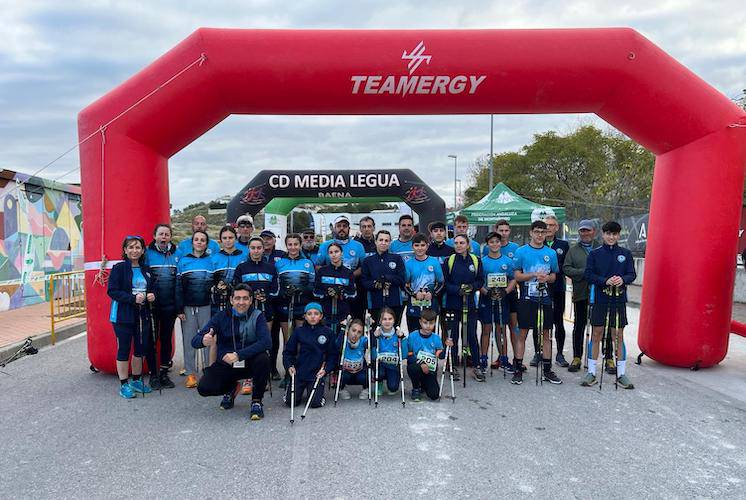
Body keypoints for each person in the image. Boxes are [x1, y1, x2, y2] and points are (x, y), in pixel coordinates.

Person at [191, 284, 271, 420]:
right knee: (204, 388)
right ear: (231, 300)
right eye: (237, 298)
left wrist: (239, 355)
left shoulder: (258, 316)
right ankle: (231, 388)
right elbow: (194, 341)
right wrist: (203, 340)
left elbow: (266, 342)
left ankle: (256, 401)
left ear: (251, 300)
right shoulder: (221, 316)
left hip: (249, 362)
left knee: (263, 359)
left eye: (245, 298)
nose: (241, 302)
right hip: (227, 363)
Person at [581, 221, 637, 389]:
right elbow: (588, 275)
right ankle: (591, 372)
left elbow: (631, 274)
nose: (611, 237)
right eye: (608, 234)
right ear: (603, 235)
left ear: (619, 236)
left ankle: (621, 374)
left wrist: (623, 280)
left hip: (618, 300)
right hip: (600, 299)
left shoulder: (625, 253)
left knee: (617, 335)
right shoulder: (594, 254)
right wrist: (604, 281)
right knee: (597, 334)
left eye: (614, 234)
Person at [512, 220, 562, 385]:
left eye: (543, 232)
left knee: (546, 334)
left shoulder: (551, 253)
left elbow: (554, 276)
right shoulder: (521, 251)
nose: (540, 235)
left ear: (546, 233)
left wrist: (546, 278)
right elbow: (517, 276)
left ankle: (547, 370)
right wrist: (533, 275)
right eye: (537, 232)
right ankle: (518, 368)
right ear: (531, 233)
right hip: (527, 298)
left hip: (545, 298)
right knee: (523, 333)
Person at [108, 235, 156, 398]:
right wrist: (132, 298)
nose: (134, 250)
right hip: (123, 315)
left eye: (138, 248)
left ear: (143, 251)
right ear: (125, 250)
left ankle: (136, 380)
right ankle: (124, 384)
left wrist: (152, 295)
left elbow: (152, 288)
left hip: (143, 314)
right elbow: (112, 291)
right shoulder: (119, 268)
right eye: (131, 247)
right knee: (124, 348)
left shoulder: (146, 269)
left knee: (140, 348)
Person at [233, 236, 279, 391]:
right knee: (247, 342)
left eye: (259, 248)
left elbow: (276, 290)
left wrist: (266, 296)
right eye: (253, 248)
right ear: (249, 249)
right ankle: (247, 377)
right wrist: (250, 298)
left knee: (264, 343)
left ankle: (263, 378)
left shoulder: (271, 268)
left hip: (266, 310)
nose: (256, 251)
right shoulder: (242, 267)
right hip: (246, 311)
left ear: (263, 249)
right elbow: (236, 288)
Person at [274, 233, 316, 389]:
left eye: (295, 244)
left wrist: (302, 290)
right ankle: (287, 373)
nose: (293, 247)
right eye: (290, 244)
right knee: (288, 341)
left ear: (300, 245)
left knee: (302, 340)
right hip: (286, 305)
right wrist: (283, 292)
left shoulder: (307, 263)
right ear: (286, 246)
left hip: (302, 305)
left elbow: (312, 284)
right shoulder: (280, 263)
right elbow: (276, 285)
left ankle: (301, 371)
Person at [176, 230, 215, 388]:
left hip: (206, 306)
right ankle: (191, 373)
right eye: (197, 240)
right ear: (192, 243)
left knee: (207, 339)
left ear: (206, 244)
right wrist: (179, 309)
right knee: (189, 340)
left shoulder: (212, 260)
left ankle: (207, 371)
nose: (199, 242)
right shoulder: (183, 261)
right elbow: (178, 287)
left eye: (203, 240)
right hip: (188, 307)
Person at [442, 234, 483, 382]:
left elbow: (480, 280)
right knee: (453, 336)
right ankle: (452, 365)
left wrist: (472, 287)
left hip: (470, 304)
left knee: (471, 334)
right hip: (453, 304)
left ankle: (476, 365)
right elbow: (445, 283)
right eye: (456, 243)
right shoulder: (449, 261)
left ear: (467, 244)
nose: (459, 245)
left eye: (462, 243)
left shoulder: (475, 260)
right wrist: (457, 289)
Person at [283, 302, 338, 409]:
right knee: (290, 402)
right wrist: (289, 366)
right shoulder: (298, 332)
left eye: (316, 313)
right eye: (309, 314)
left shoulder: (328, 332)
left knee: (315, 403)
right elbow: (288, 352)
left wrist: (326, 370)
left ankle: (319, 395)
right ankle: (290, 391)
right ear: (305, 316)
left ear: (321, 316)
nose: (313, 316)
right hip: (299, 372)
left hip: (316, 373)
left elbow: (333, 355)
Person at [562, 220, 600, 372]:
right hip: (581, 293)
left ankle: (606, 358)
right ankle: (577, 356)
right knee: (579, 325)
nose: (585, 234)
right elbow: (566, 268)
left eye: (588, 230)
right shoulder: (573, 250)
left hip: (600, 294)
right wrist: (583, 272)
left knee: (600, 326)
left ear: (594, 231)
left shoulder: (601, 247)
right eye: (582, 231)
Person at [144, 224, 178, 390]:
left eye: (167, 234)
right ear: (155, 236)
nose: (164, 237)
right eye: (161, 234)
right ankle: (153, 374)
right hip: (151, 305)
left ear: (170, 236)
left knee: (166, 339)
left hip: (169, 305)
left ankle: (164, 372)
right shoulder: (147, 254)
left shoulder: (176, 254)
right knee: (151, 339)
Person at [478, 231, 516, 375]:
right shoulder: (483, 261)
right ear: (487, 244)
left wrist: (506, 291)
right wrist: (486, 292)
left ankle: (504, 359)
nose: (494, 244)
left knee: (501, 329)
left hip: (502, 298)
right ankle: (483, 359)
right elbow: (478, 281)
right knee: (486, 329)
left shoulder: (507, 261)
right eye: (491, 242)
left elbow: (513, 278)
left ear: (501, 243)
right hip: (487, 298)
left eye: (497, 242)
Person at [489, 219, 521, 373]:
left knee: (513, 326)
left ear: (509, 231)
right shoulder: (488, 247)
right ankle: (502, 357)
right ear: (496, 230)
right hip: (494, 294)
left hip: (511, 293)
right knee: (499, 326)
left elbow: (516, 272)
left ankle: (517, 358)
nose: (503, 233)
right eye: (500, 230)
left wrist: (508, 288)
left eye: (506, 230)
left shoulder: (515, 248)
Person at [361, 230, 406, 326]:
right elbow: (364, 282)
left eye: (386, 240)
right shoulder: (368, 261)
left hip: (394, 301)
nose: (383, 243)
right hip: (375, 302)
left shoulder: (396, 258)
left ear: (390, 243)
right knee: (376, 330)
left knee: (394, 330)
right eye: (381, 240)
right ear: (376, 241)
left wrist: (388, 278)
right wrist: (376, 284)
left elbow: (402, 279)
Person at [542, 215, 571, 368]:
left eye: (552, 225)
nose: (549, 228)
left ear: (557, 227)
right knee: (541, 321)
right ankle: (539, 353)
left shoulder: (564, 245)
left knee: (558, 321)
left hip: (558, 288)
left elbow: (567, 266)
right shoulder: (538, 244)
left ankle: (559, 353)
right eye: (546, 225)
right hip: (541, 289)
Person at [406, 308, 452, 401]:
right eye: (425, 323)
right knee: (412, 367)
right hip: (417, 365)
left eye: (431, 323)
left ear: (435, 323)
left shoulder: (436, 338)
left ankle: (424, 384)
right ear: (420, 322)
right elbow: (409, 355)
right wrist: (421, 363)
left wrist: (447, 347)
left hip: (430, 369)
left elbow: (441, 355)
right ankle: (416, 388)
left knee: (434, 395)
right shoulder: (412, 336)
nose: (428, 326)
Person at [314, 242, 357, 336]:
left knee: (340, 343)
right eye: (331, 252)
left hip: (342, 313)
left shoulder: (348, 273)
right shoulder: (322, 271)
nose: (334, 255)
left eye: (336, 251)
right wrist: (327, 293)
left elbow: (353, 294)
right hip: (326, 313)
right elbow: (316, 292)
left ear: (341, 253)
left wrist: (341, 293)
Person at [404, 233, 444, 333]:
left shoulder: (434, 262)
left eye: (422, 245)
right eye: (416, 245)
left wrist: (432, 293)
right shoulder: (409, 263)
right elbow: (405, 284)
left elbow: (441, 283)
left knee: (430, 336)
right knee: (414, 335)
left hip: (430, 306)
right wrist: (414, 293)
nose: (419, 248)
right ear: (412, 246)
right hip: (414, 307)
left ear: (427, 246)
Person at [371, 307, 407, 396]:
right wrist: (374, 338)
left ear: (394, 320)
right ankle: (379, 382)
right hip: (380, 364)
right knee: (380, 372)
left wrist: (402, 338)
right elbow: (372, 355)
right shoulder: (376, 334)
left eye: (390, 319)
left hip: (393, 365)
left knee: (393, 388)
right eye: (384, 319)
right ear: (380, 321)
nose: (387, 321)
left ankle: (392, 380)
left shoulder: (398, 334)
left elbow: (405, 354)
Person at [211, 225, 245, 315]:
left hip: (239, 302)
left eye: (230, 237)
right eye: (224, 238)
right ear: (220, 240)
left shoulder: (244, 257)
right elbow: (210, 281)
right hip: (218, 304)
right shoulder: (214, 258)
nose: (227, 240)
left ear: (236, 238)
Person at [336, 319, 370, 400]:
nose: (355, 334)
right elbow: (337, 345)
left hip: (359, 370)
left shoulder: (362, 341)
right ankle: (342, 389)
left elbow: (372, 343)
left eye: (359, 332)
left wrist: (369, 327)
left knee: (363, 376)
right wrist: (343, 329)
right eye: (353, 330)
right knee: (343, 376)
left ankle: (366, 389)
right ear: (349, 330)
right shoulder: (344, 340)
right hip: (346, 370)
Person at [352, 215, 376, 321]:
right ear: (360, 229)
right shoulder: (355, 244)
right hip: (359, 286)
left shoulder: (379, 242)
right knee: (358, 319)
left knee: (375, 319)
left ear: (373, 228)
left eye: (369, 226)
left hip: (375, 286)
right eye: (364, 227)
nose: (367, 229)